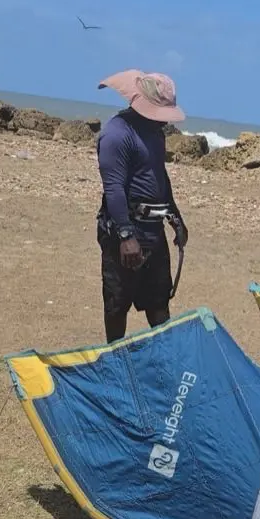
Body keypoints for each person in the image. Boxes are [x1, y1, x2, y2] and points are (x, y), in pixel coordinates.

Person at [93, 69, 190, 342]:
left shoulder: (156, 133)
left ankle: (164, 357)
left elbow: (159, 177)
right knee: (117, 303)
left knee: (159, 302)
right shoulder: (116, 134)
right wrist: (126, 235)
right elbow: (113, 187)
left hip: (153, 229)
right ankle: (116, 357)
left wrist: (175, 218)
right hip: (124, 230)